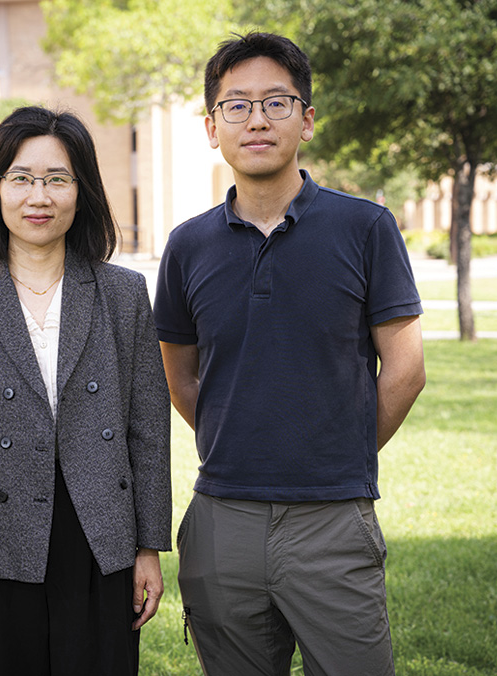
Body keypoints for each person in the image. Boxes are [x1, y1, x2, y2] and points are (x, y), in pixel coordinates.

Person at [154, 32, 426, 676]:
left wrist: (339, 449)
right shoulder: (187, 246)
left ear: (306, 120)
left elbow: (406, 370)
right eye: (236, 105)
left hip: (334, 519)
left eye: (276, 103)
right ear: (210, 126)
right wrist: (247, 444)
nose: (256, 119)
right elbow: (181, 378)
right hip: (223, 519)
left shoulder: (366, 228)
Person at [0, 106, 171, 675]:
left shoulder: (122, 294)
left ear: (82, 192)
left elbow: (148, 428)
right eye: (21, 178)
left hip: (100, 532)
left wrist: (148, 545)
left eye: (58, 179)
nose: (39, 196)